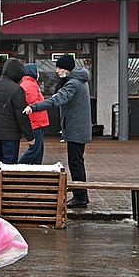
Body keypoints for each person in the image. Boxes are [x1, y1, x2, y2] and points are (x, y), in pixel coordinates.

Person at [25, 55, 92, 209]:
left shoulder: (73, 84)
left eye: (60, 68)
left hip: (76, 129)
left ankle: (80, 197)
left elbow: (56, 100)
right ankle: (81, 195)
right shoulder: (79, 81)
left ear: (67, 68)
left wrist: (34, 107)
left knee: (76, 163)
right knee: (77, 161)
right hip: (78, 128)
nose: (57, 71)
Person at [0, 59, 33, 196]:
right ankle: (5, 193)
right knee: (8, 164)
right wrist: (30, 136)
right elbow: (22, 115)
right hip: (10, 135)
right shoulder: (17, 90)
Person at [17, 63, 48, 164]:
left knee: (38, 150)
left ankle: (36, 170)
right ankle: (18, 168)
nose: (38, 73)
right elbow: (33, 103)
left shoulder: (29, 83)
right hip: (35, 121)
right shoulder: (30, 85)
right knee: (35, 149)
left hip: (37, 121)